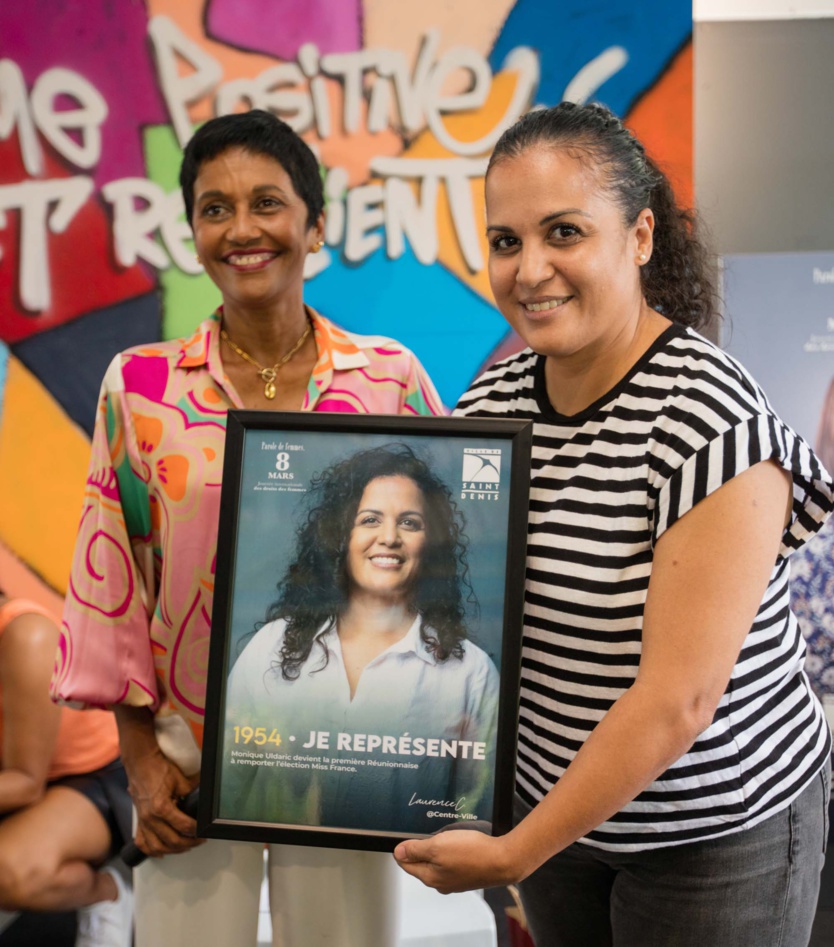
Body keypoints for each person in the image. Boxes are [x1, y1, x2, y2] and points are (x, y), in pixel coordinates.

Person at [394, 101, 834, 947]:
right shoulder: (493, 405)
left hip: (716, 832)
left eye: (564, 232)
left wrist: (514, 850)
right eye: (507, 241)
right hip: (562, 820)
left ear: (638, 237)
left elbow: (680, 700)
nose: (530, 269)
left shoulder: (711, 418)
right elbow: (464, 619)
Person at [52, 110, 444, 947]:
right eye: (214, 208)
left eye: (267, 202)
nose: (242, 229)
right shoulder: (141, 388)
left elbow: (441, 563)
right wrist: (141, 762)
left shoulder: (389, 379)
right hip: (188, 765)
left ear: (314, 221)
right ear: (191, 228)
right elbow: (113, 577)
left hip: (349, 751)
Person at [224, 444, 498, 834]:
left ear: (431, 542)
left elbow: (474, 820)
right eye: (369, 519)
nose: (389, 537)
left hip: (407, 884)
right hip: (280, 870)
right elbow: (228, 789)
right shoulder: (269, 647)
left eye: (410, 523)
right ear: (339, 534)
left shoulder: (472, 674)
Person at [0, 596, 132, 947]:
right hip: (27, 777)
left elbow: (25, 782)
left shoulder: (26, 635)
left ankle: (105, 893)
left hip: (100, 771)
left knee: (8, 872)